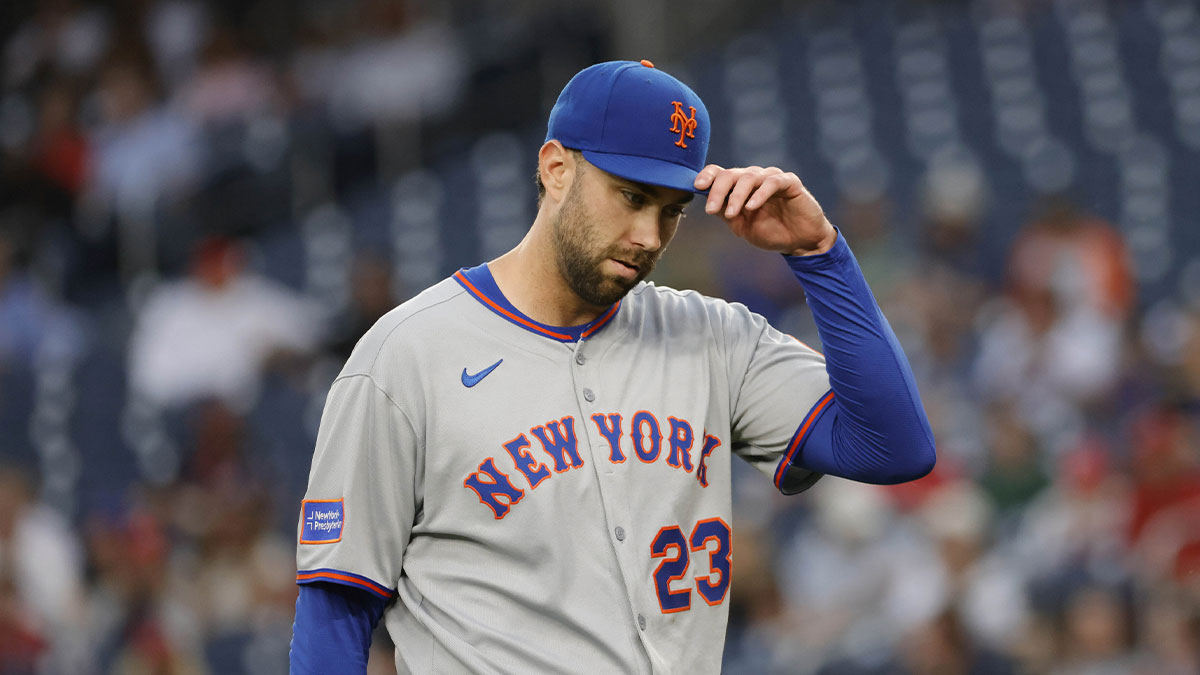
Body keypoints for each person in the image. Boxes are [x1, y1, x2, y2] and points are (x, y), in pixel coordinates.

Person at [289, 60, 935, 674]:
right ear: (556, 168)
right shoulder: (407, 356)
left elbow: (892, 444)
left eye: (670, 211)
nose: (649, 235)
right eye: (630, 196)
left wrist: (820, 254)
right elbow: (336, 608)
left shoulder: (711, 337)